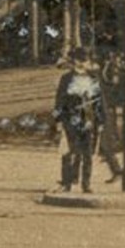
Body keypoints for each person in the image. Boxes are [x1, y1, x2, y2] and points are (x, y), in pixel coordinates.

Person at [52, 48, 102, 193]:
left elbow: (98, 102)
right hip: (70, 120)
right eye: (78, 61)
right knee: (69, 153)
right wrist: (58, 121)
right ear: (73, 62)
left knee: (87, 154)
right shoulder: (66, 79)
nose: (81, 64)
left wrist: (101, 121)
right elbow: (59, 101)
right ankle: (67, 183)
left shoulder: (93, 79)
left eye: (84, 61)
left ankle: (86, 184)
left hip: (88, 120)